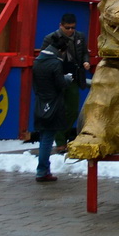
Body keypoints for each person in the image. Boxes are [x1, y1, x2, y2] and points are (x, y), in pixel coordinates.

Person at [31, 37, 74, 182]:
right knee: (48, 139)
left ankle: (43, 170)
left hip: (40, 102)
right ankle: (42, 171)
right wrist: (67, 79)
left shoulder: (37, 61)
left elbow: (36, 85)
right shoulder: (55, 63)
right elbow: (60, 84)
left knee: (44, 136)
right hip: (53, 103)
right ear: (60, 50)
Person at [47, 14, 89, 151]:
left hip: (73, 77)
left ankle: (62, 136)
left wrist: (85, 61)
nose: (70, 30)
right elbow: (44, 56)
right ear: (61, 25)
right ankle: (60, 141)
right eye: (67, 28)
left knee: (72, 110)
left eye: (73, 27)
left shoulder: (80, 37)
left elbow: (84, 53)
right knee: (59, 109)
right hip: (57, 77)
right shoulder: (51, 38)